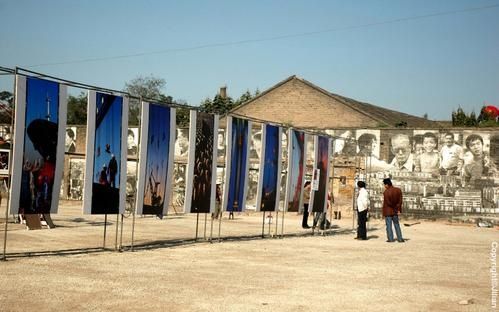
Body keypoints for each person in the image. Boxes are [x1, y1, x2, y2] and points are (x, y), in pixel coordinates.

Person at [382, 178, 404, 243]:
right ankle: (400, 238)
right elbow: (400, 201)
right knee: (397, 225)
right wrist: (398, 209)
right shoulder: (398, 190)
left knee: (389, 225)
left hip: (388, 211)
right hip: (395, 211)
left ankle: (390, 239)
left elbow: (388, 203)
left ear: (386, 185)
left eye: (384, 185)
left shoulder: (386, 192)